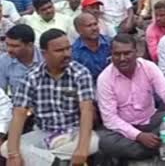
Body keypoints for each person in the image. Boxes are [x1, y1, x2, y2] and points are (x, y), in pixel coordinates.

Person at [1, 29, 98, 166]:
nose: (66, 54)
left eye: (68, 49)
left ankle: (43, 159)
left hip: (74, 133)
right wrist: (13, 154)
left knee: (94, 142)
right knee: (6, 149)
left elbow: (87, 111)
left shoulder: (81, 73)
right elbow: (19, 115)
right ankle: (58, 162)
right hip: (43, 133)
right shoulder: (32, 77)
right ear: (44, 53)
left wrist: (81, 149)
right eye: (59, 50)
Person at [96, 33, 165, 162]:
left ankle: (143, 149)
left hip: (150, 121)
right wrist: (139, 136)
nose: (122, 58)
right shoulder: (104, 79)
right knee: (101, 140)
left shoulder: (149, 67)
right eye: (117, 54)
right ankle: (161, 147)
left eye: (127, 53)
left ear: (136, 52)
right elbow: (110, 119)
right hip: (122, 130)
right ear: (111, 55)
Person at [0, 24, 43, 94]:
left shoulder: (45, 57)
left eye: (15, 46)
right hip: (17, 103)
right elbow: (1, 93)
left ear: (30, 45)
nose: (9, 49)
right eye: (7, 44)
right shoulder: (3, 61)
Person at [72, 13, 111, 83]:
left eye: (95, 24)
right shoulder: (74, 51)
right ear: (78, 30)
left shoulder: (111, 43)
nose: (94, 28)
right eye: (89, 26)